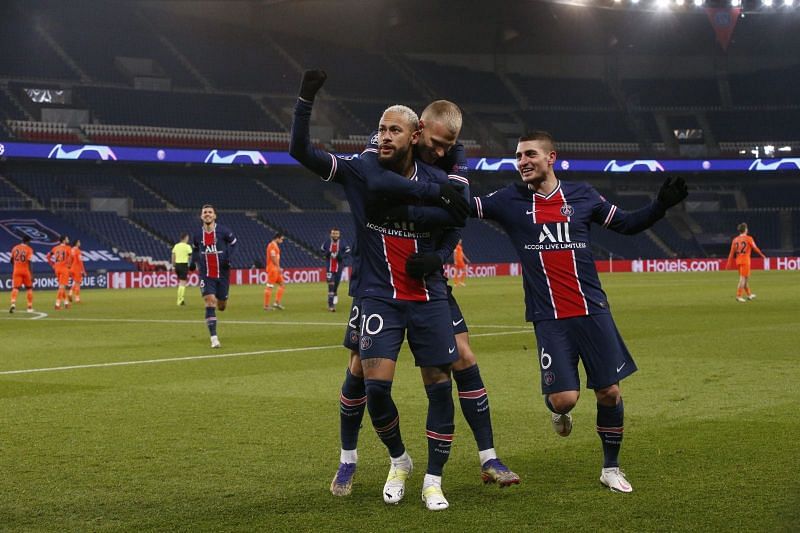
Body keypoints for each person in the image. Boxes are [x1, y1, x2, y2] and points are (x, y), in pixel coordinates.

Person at [290, 70, 470, 510]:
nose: (384, 136)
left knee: (439, 385)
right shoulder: (359, 170)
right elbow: (300, 151)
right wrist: (305, 101)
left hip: (426, 294)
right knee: (373, 388)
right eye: (381, 129)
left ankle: (433, 480)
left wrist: (441, 254)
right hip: (376, 294)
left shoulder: (435, 174)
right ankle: (399, 459)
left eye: (394, 130)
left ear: (415, 135)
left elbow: (459, 212)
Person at [471, 131, 688, 493]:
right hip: (549, 317)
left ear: (551, 157)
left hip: (592, 309)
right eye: (518, 156)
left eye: (530, 154)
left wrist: (659, 206)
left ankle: (611, 468)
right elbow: (463, 205)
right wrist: (445, 170)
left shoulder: (583, 195)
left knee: (610, 393)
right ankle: (557, 409)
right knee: (565, 398)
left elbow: (627, 224)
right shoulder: (509, 200)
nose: (522, 161)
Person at [330, 100, 518, 501]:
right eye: (435, 144)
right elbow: (374, 186)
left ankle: (488, 457)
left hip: (427, 279)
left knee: (462, 357)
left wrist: (441, 253)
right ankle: (349, 457)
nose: (439, 152)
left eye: (447, 147)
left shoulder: (446, 157)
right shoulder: (383, 144)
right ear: (418, 131)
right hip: (375, 277)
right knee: (360, 368)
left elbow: (458, 212)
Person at [191, 204, 238, 348]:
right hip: (206, 275)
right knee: (210, 301)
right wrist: (193, 262)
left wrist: (229, 258)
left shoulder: (224, 231)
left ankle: (222, 299)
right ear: (201, 216)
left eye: (210, 212)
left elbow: (234, 243)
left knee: (221, 305)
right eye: (204, 212)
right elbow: (195, 249)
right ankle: (214, 338)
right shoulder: (198, 235)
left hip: (222, 274)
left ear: (214, 215)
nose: (207, 214)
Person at [726, 223, 766, 303]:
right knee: (743, 278)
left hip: (738, 261)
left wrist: (729, 263)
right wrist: (762, 255)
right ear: (745, 230)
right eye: (747, 228)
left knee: (746, 278)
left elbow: (731, 253)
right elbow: (755, 248)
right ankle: (739, 296)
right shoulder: (749, 238)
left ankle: (749, 295)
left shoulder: (735, 239)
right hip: (745, 260)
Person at [321, 227, 351, 312]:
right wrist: (327, 254)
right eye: (333, 233)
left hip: (339, 268)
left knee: (335, 286)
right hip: (329, 269)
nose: (335, 235)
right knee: (331, 285)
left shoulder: (343, 243)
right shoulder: (327, 243)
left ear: (339, 234)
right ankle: (331, 306)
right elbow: (322, 251)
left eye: (337, 233)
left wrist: (341, 256)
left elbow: (348, 252)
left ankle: (335, 293)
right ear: (331, 234)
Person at [9, 235, 35, 313]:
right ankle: (29, 307)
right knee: (29, 288)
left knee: (15, 288)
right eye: (29, 241)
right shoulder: (29, 249)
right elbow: (30, 262)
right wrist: (32, 274)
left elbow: (11, 260)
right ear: (27, 241)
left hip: (16, 270)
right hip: (25, 270)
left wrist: (16, 265)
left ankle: (13, 303)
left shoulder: (15, 248)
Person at [46, 234, 72, 310]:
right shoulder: (68, 248)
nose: (68, 240)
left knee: (61, 286)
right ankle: (57, 305)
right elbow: (70, 258)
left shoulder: (55, 248)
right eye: (67, 238)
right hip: (64, 269)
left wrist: (52, 265)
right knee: (62, 287)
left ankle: (66, 303)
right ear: (64, 240)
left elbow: (47, 256)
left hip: (57, 269)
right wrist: (69, 266)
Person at [263, 233, 286, 310]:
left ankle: (276, 303)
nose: (282, 241)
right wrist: (278, 267)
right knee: (269, 286)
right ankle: (266, 306)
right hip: (273, 269)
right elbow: (273, 257)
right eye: (281, 239)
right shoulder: (271, 245)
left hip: (275, 269)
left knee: (282, 284)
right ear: (277, 238)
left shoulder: (275, 245)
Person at [171, 233, 192, 306]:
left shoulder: (176, 246)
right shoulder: (187, 246)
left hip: (177, 265)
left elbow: (173, 255)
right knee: (182, 283)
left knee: (181, 282)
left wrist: (173, 265)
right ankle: (180, 300)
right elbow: (190, 256)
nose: (188, 239)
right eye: (188, 237)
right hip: (183, 265)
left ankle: (180, 299)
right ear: (185, 238)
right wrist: (190, 263)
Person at [67, 239, 85, 304]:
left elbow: (69, 260)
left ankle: (71, 293)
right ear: (76, 243)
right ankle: (76, 298)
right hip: (77, 269)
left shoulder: (71, 250)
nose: (80, 243)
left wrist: (69, 267)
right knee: (78, 284)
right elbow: (80, 262)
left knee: (75, 282)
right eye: (79, 242)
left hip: (72, 268)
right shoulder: (78, 251)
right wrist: (83, 271)